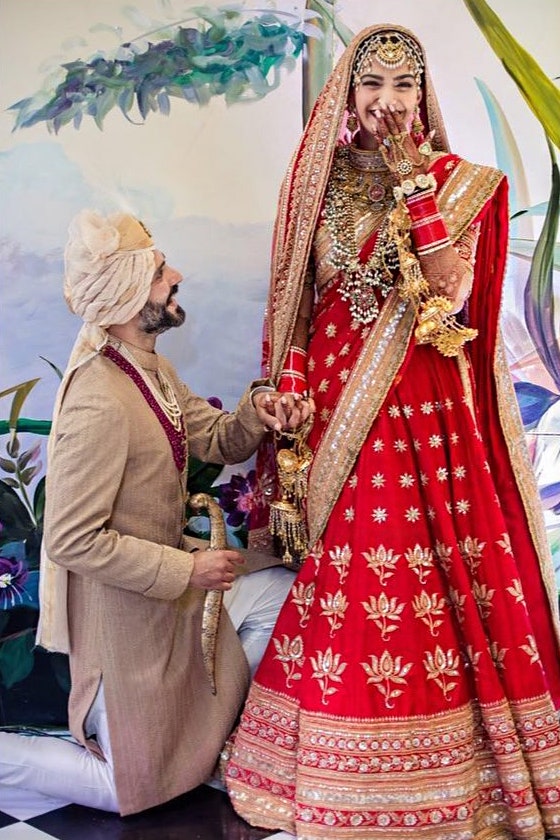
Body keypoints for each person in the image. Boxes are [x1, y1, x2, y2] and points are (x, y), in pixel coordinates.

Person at [225, 24, 560, 839]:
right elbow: (299, 317)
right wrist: (293, 392)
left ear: (423, 95)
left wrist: (414, 182)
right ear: (347, 94)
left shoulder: (458, 183)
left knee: (437, 585)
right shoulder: (320, 184)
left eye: (402, 86)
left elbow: (446, 296)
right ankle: (339, 767)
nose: (385, 102)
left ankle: (462, 777)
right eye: (370, 85)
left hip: (427, 422)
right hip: (339, 424)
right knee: (346, 589)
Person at [0, 209, 312, 816]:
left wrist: (261, 407)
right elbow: (71, 539)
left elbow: (219, 439)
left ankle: (215, 739)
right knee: (128, 790)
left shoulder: (149, 370)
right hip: (130, 621)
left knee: (276, 592)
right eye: (160, 268)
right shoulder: (98, 397)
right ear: (125, 292)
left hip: (173, 603)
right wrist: (187, 572)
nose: (177, 275)